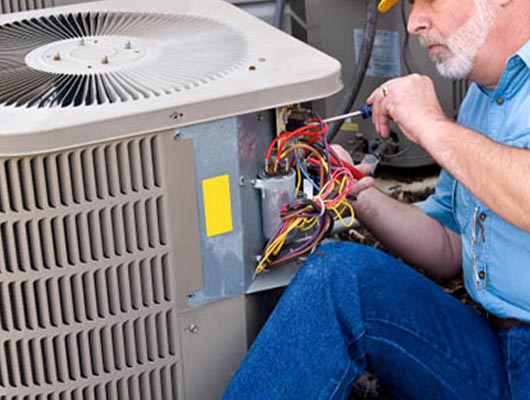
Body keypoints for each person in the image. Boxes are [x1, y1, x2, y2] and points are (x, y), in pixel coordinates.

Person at [223, 0, 530, 398]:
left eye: (429, 1)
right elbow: (448, 244)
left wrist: (432, 126)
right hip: (496, 348)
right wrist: (356, 195)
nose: (415, 23)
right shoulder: (479, 99)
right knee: (341, 278)